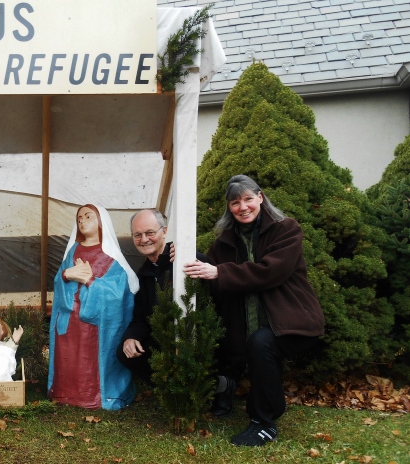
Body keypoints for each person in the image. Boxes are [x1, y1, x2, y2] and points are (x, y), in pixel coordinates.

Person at [183, 175, 325, 447]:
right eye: (235, 202)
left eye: (248, 199)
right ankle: (227, 393)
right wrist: (185, 252)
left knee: (260, 343)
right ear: (229, 207)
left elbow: (272, 271)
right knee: (232, 343)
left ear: (260, 197)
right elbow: (210, 273)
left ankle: (263, 422)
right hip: (245, 328)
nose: (243, 207)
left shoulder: (287, 229)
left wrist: (219, 271)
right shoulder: (224, 242)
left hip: (293, 322)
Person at [48, 204, 138, 410]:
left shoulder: (111, 257)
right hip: (70, 321)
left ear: (101, 221)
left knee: (90, 361)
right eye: (79, 217)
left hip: (96, 326)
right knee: (69, 359)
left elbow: (118, 295)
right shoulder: (73, 251)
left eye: (88, 216)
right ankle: (66, 393)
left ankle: (96, 396)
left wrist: (90, 281)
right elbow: (59, 281)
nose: (82, 220)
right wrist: (66, 275)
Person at [116, 208, 208, 381]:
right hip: (163, 340)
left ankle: (216, 386)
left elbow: (214, 293)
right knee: (124, 351)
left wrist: (196, 260)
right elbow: (141, 317)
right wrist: (131, 337)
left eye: (150, 232)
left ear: (164, 231)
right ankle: (168, 389)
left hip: (197, 338)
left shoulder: (185, 257)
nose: (144, 240)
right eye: (137, 235)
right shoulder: (143, 274)